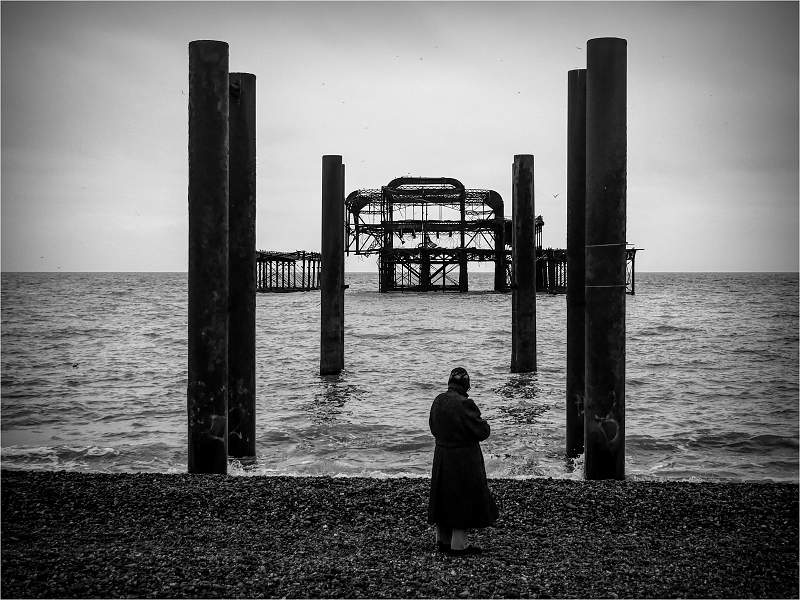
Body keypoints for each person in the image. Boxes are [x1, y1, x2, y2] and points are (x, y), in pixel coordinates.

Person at [427, 367, 498, 555]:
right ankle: (459, 545)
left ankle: (442, 539)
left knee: (443, 496)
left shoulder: (438, 400)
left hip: (442, 455)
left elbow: (432, 427)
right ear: (466, 385)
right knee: (462, 497)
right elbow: (482, 432)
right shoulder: (465, 404)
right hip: (463, 458)